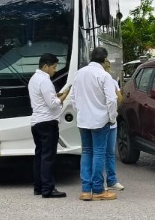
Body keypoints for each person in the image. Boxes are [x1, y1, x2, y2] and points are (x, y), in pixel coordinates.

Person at [69, 47, 118, 201]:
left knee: (86, 152)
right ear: (105, 59)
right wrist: (112, 117)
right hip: (100, 120)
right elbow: (111, 100)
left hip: (83, 120)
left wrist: (81, 111)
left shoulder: (78, 74)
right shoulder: (104, 75)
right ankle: (98, 189)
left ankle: (85, 190)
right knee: (99, 153)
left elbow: (72, 98)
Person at [28, 53, 70, 198]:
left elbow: (43, 98)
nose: (55, 70)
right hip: (47, 122)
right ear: (45, 66)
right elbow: (52, 104)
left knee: (39, 155)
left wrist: (56, 95)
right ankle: (48, 189)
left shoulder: (33, 79)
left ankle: (38, 187)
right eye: (54, 67)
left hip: (36, 122)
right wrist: (63, 97)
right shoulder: (45, 81)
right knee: (48, 157)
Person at [103, 58, 124, 192]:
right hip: (101, 122)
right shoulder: (98, 79)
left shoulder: (112, 81)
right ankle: (99, 181)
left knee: (109, 153)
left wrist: (116, 92)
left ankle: (111, 180)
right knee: (100, 153)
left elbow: (120, 99)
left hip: (111, 122)